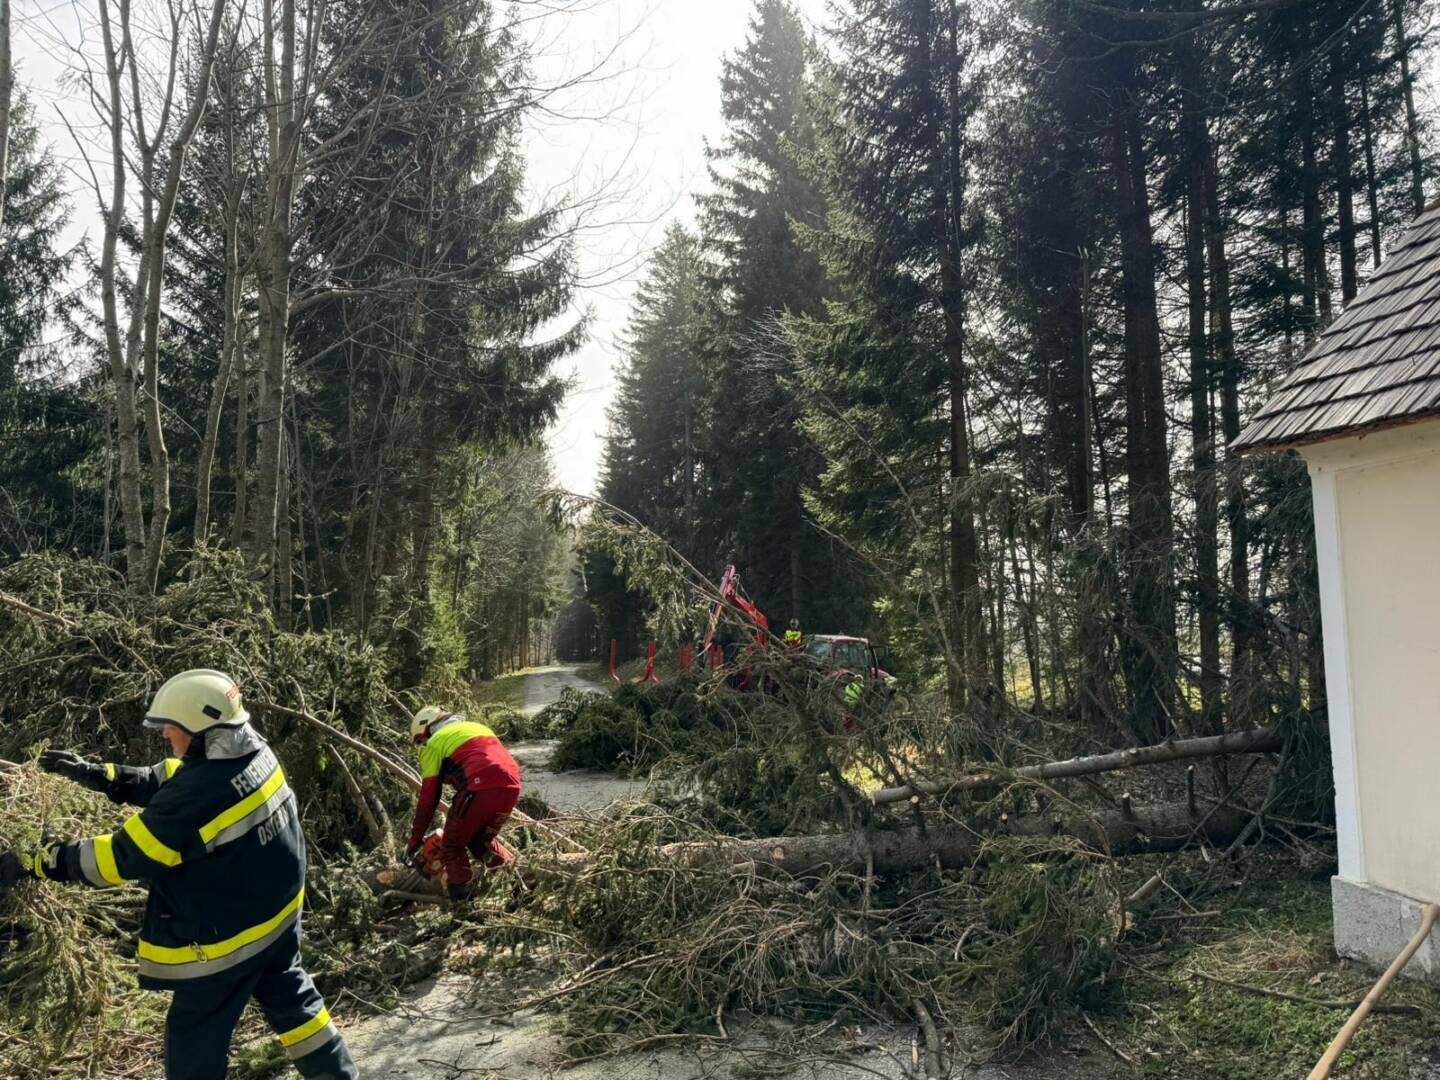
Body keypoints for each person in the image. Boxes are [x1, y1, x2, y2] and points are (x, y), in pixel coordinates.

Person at [0, 669, 358, 1080]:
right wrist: (101, 775)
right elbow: (174, 778)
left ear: (202, 728)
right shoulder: (250, 749)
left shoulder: (202, 793)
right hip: (278, 915)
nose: (166, 734)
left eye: (172, 726)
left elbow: (121, 858)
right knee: (296, 1003)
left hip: (230, 942)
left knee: (193, 1036)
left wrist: (37, 861)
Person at [406, 706, 522, 902]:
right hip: (512, 784)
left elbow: (429, 798)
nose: (420, 745)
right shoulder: (476, 727)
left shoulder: (433, 743)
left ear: (426, 728)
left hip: (479, 785)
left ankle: (464, 907)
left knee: (451, 845)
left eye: (419, 740)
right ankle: (520, 888)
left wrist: (415, 839)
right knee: (479, 842)